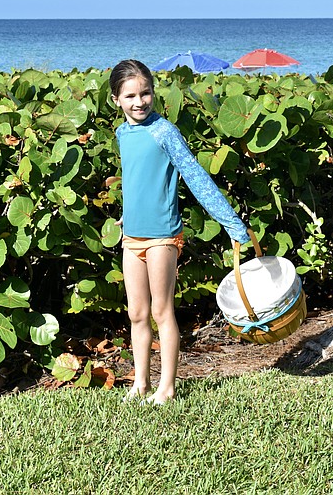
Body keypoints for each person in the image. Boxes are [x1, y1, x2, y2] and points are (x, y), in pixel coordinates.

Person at [108, 59, 251, 405]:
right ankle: (140, 383)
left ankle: (166, 388)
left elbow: (197, 179)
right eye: (130, 96)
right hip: (132, 238)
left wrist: (233, 224)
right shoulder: (122, 134)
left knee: (161, 312)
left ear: (154, 93)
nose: (139, 102)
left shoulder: (164, 132)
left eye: (145, 93)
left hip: (163, 237)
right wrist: (129, 214)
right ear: (116, 100)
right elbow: (138, 180)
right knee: (136, 313)